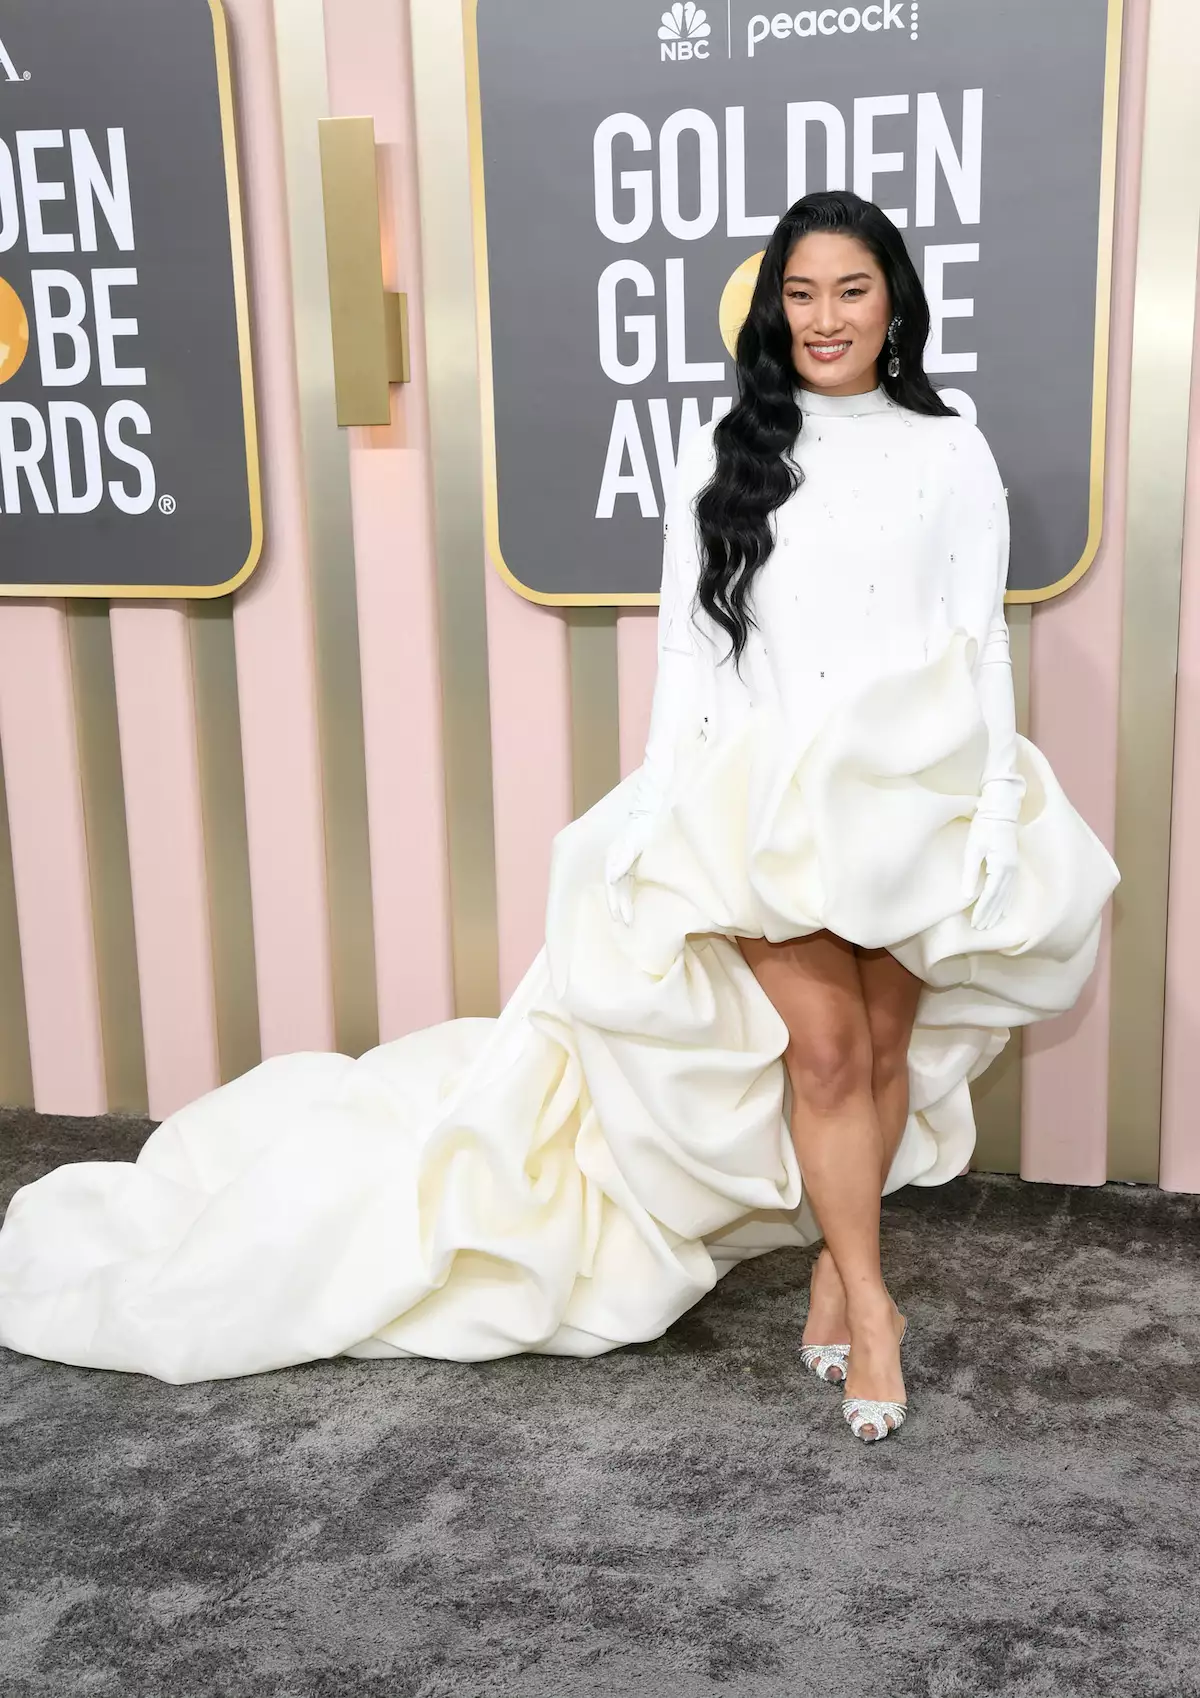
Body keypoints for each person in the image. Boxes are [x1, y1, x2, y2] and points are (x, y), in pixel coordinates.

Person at [0, 193, 1119, 1445]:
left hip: (917, 792)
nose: (824, 318)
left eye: (851, 291)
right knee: (822, 1051)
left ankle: (828, 1263)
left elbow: (977, 640)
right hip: (758, 804)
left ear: (895, 299)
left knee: (884, 1048)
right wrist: (659, 803)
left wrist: (996, 808)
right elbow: (691, 655)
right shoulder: (725, 446)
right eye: (799, 294)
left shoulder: (949, 443)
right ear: (772, 309)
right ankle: (871, 1304)